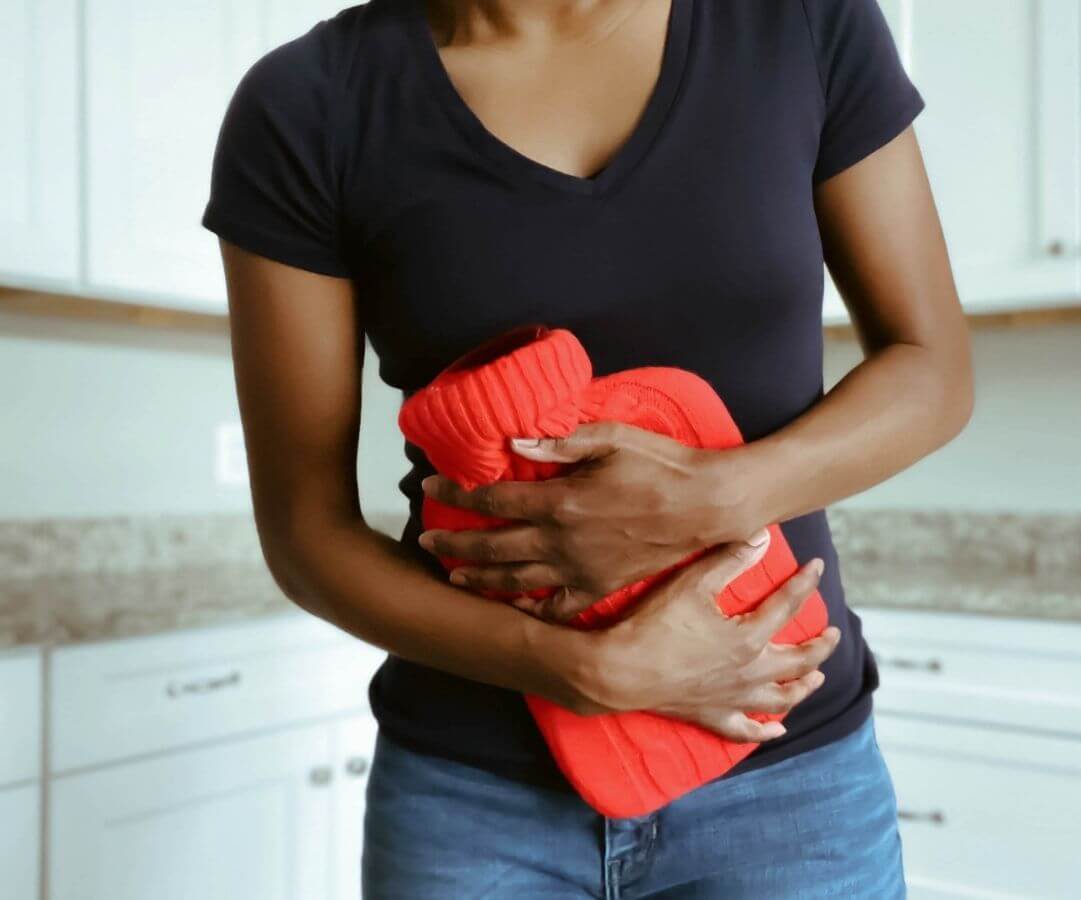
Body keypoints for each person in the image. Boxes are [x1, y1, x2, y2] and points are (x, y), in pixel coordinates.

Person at [201, 0, 973, 896]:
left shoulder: (799, 23)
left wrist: (717, 495)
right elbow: (306, 535)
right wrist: (579, 670)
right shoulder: (306, 104)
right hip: (474, 801)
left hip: (786, 789)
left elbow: (934, 371)